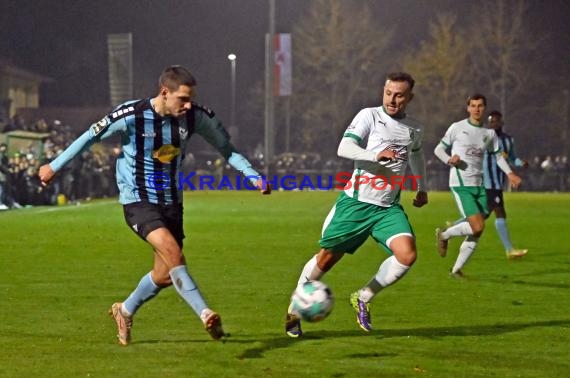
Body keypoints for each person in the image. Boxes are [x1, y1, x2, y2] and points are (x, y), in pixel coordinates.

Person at [39, 65, 271, 345]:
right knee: (173, 253)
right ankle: (206, 313)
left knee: (163, 275)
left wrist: (253, 175)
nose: (188, 105)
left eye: (190, 99)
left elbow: (227, 149)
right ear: (164, 92)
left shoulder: (196, 117)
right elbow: (91, 136)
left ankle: (123, 311)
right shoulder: (131, 115)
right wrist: (53, 166)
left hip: (172, 202)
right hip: (138, 199)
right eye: (182, 99)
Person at [284, 72, 428, 337]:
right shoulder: (369, 116)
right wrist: (375, 155)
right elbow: (344, 147)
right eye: (388, 93)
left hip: (387, 208)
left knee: (407, 255)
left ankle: (363, 296)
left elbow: (416, 155)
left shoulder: (415, 128)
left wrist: (421, 186)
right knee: (326, 258)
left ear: (410, 97)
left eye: (399, 95)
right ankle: (294, 310)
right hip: (357, 204)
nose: (392, 99)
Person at [433, 94, 522, 277]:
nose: (476, 109)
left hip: (479, 186)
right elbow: (438, 149)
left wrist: (510, 173)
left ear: (484, 108)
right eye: (473, 106)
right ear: (468, 108)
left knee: (477, 231)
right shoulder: (457, 128)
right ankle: (444, 235)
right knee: (478, 226)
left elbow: (498, 157)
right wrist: (450, 160)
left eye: (480, 106)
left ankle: (456, 270)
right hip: (460, 184)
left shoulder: (488, 134)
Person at [483, 110, 528, 258]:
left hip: (498, 182)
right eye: (491, 121)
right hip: (488, 182)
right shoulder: (484, 138)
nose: (494, 123)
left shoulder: (508, 140)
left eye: (496, 121)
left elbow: (512, 157)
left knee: (482, 215)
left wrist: (521, 163)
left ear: (502, 122)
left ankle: (449, 230)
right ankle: (509, 250)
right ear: (489, 123)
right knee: (500, 213)